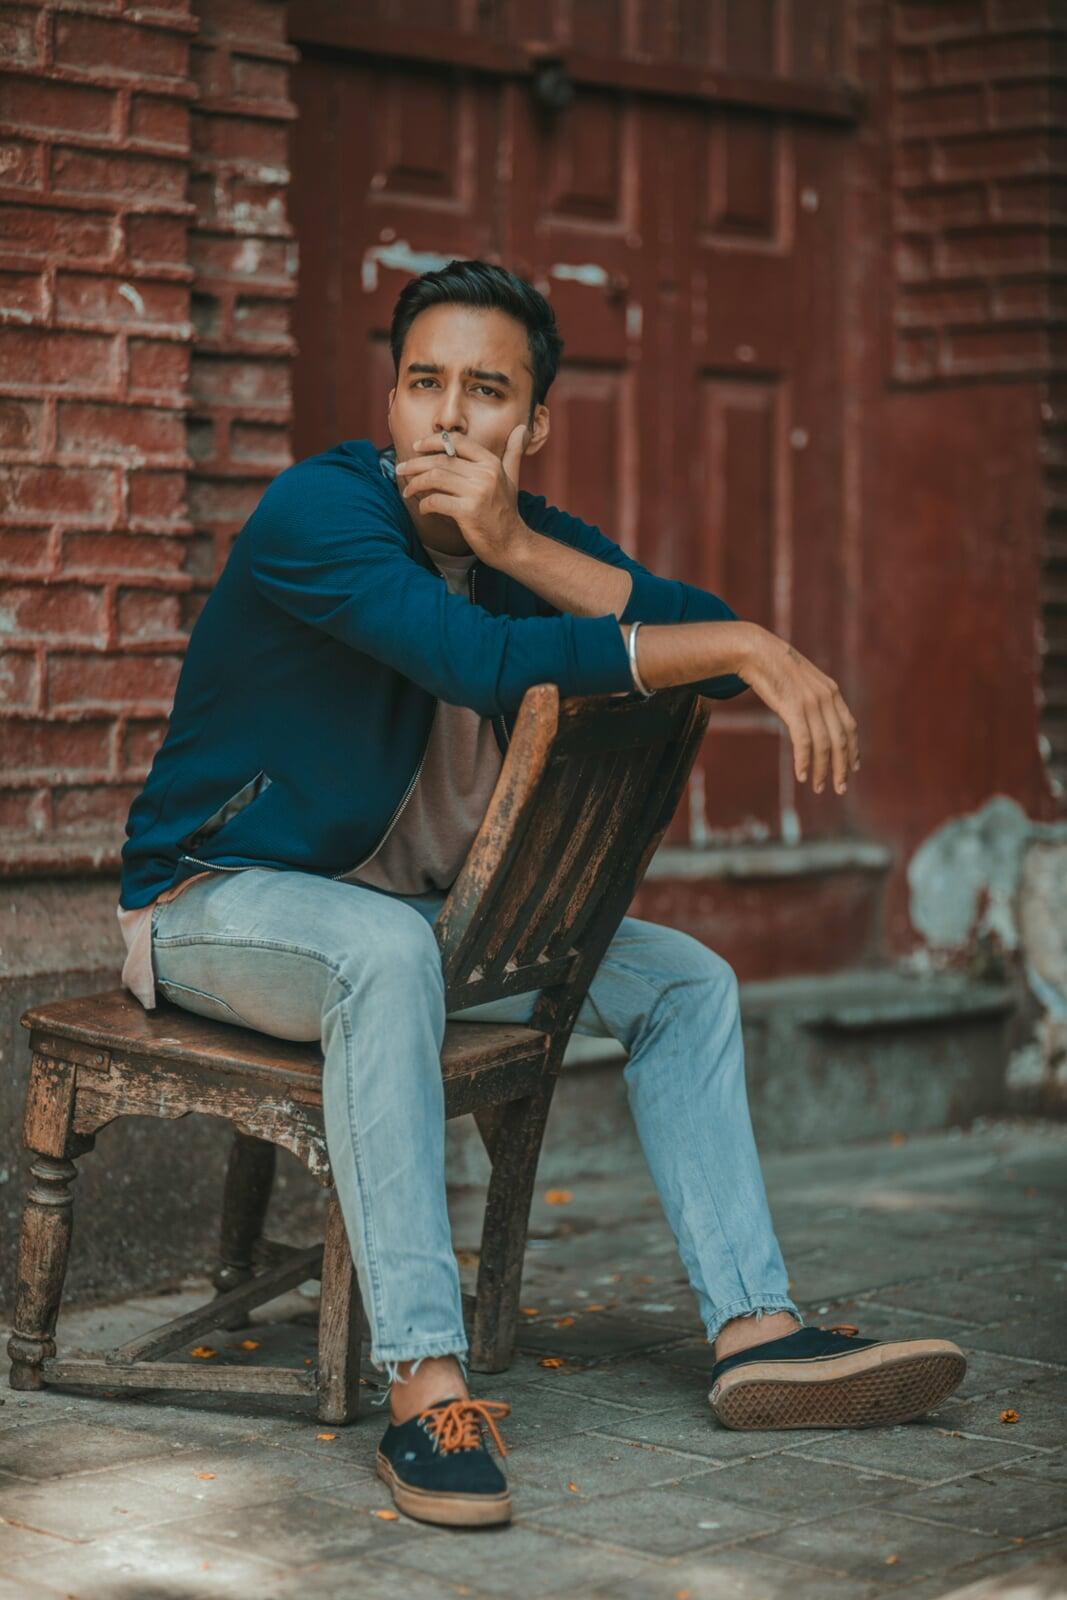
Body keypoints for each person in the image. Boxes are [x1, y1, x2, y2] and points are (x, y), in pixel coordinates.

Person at [116, 259, 965, 1529]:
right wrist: (729, 641)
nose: (449, 420)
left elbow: (687, 632)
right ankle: (425, 1381)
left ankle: (754, 1330)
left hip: (413, 917)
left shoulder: (520, 545)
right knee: (383, 957)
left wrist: (535, 552)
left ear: (532, 425)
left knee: (684, 979)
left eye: (486, 392)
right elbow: (476, 658)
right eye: (424, 384)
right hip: (220, 901)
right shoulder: (320, 512)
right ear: (390, 403)